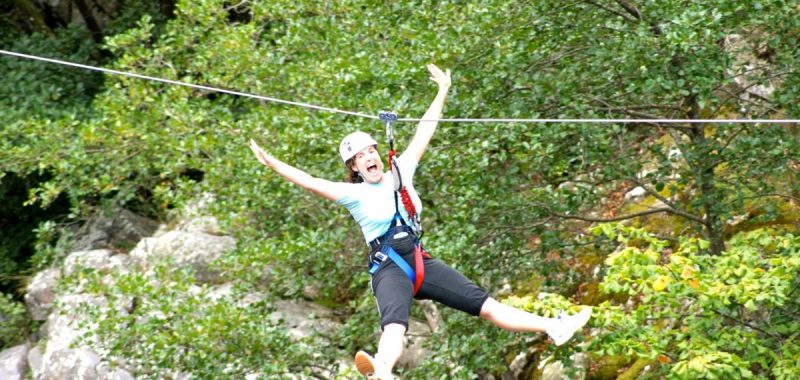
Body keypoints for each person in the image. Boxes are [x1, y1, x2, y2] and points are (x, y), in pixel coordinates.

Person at [249, 64, 591, 380]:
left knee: (485, 306)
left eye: (370, 151)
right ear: (353, 167)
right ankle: (382, 370)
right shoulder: (352, 194)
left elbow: (425, 130)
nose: (368, 157)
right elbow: (308, 180)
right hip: (389, 267)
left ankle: (553, 326)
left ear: (377, 154)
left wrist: (442, 89)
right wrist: (273, 163)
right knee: (395, 325)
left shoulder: (402, 169)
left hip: (419, 260)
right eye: (360, 157)